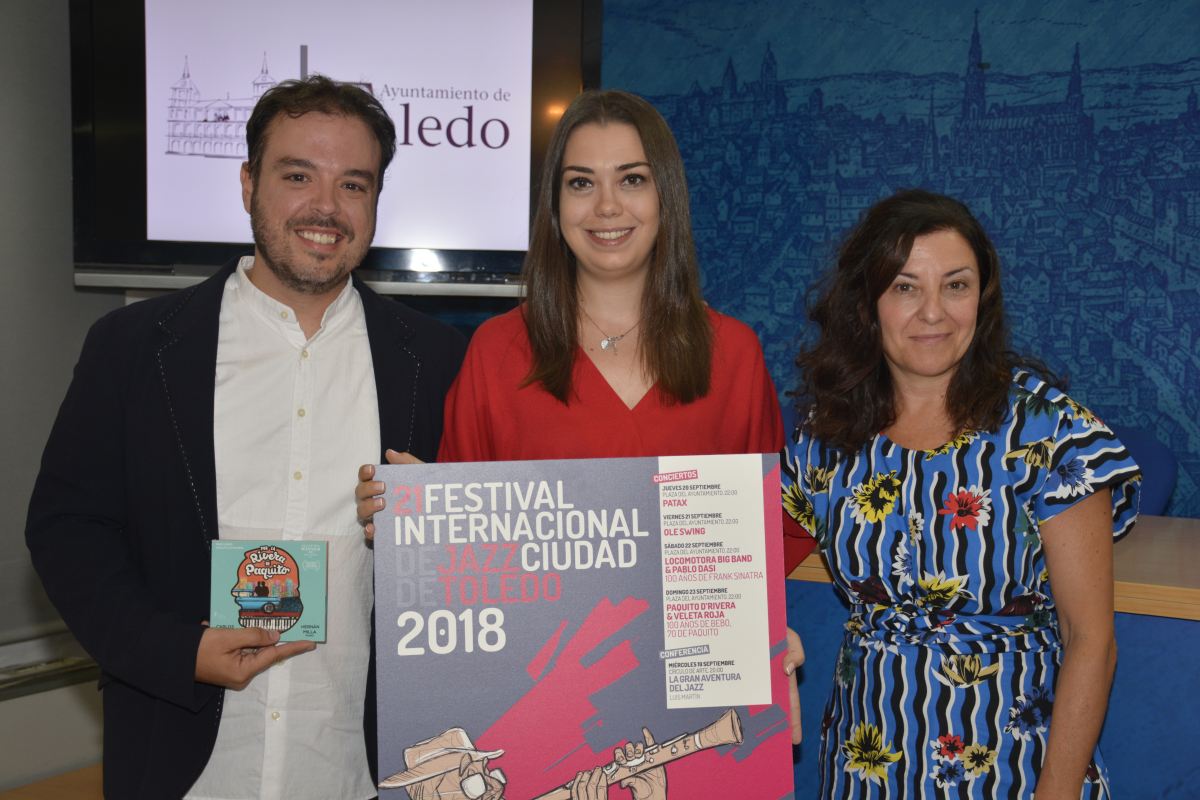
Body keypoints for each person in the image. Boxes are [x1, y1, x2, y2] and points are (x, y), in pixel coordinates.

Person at [25, 76, 465, 799]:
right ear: (247, 183)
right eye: (298, 176)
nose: (325, 207)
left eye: (353, 184)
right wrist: (179, 651)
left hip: (359, 773)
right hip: (182, 764)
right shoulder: (134, 349)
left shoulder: (438, 362)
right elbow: (67, 531)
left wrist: (430, 534)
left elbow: (479, 581)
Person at [358, 89, 810, 745]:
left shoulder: (732, 355)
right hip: (538, 713)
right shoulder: (495, 355)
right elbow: (466, 570)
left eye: (631, 179)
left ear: (667, 199)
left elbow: (759, 540)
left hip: (691, 710)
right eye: (580, 183)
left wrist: (764, 633)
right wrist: (410, 524)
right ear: (554, 205)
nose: (605, 207)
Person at [782, 189, 1140, 798]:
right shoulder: (827, 436)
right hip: (866, 762)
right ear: (867, 302)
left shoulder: (1048, 432)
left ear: (983, 297)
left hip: (1015, 769)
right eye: (904, 286)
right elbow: (748, 558)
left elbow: (1091, 644)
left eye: (955, 285)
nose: (933, 313)